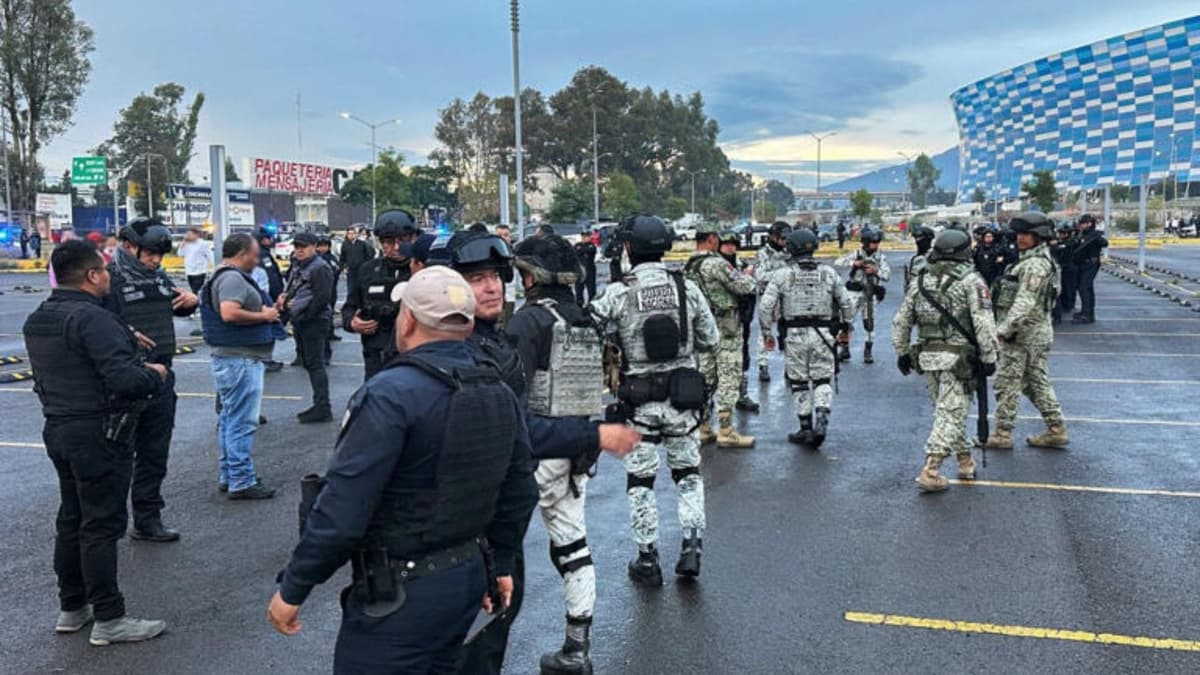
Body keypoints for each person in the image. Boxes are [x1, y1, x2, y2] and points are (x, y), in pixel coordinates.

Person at [267, 267, 539, 673]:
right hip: (464, 577)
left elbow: (344, 506)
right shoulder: (496, 388)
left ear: (407, 319)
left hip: (402, 590)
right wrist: (498, 563)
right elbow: (520, 489)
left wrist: (295, 586)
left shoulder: (390, 393)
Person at [447, 230, 639, 675]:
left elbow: (510, 397)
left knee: (497, 555)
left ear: (529, 277)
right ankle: (577, 646)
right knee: (573, 546)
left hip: (531, 451)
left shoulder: (526, 323)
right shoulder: (588, 319)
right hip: (578, 450)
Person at [24, 240, 170, 645]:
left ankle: (72, 607)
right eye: (104, 270)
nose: (109, 276)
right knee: (101, 525)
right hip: (99, 433)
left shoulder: (41, 316)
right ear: (91, 275)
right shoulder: (92, 318)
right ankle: (109, 617)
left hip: (59, 428)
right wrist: (155, 373)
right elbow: (124, 379)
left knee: (71, 519)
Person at [589, 214, 719, 587]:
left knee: (641, 481)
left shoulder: (618, 291)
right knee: (688, 474)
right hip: (683, 399)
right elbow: (709, 338)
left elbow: (589, 330)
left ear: (629, 247)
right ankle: (692, 548)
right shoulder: (686, 288)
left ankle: (648, 558)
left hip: (639, 404)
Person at [104, 218, 198, 542]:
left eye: (159, 255)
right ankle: (108, 524)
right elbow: (91, 322)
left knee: (154, 453)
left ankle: (147, 518)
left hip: (161, 375)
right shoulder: (109, 279)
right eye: (150, 254)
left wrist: (191, 302)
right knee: (116, 456)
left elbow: (173, 305)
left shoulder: (157, 277)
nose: (156, 261)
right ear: (129, 246)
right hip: (126, 379)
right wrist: (126, 334)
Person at [892, 229, 999, 492]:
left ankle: (965, 461)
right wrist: (989, 356)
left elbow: (902, 320)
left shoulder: (921, 280)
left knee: (949, 411)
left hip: (928, 357)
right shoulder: (972, 281)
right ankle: (931, 469)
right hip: (958, 360)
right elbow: (984, 323)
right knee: (951, 413)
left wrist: (902, 351)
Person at [200, 233, 281, 499]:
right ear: (242, 253)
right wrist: (265, 315)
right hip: (240, 359)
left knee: (229, 419)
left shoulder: (220, 275)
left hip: (233, 358)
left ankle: (230, 474)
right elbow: (229, 313)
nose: (257, 261)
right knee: (241, 422)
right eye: (255, 255)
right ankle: (241, 480)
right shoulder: (232, 278)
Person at [984, 212, 1069, 450]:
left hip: (1022, 336)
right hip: (1034, 333)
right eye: (1019, 234)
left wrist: (1001, 330)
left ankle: (1002, 433)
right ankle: (1056, 428)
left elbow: (1024, 302)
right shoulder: (1035, 261)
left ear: (1039, 236)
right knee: (1035, 383)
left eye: (1026, 234)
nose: (1020, 238)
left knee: (1006, 383)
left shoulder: (1034, 265)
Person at [759, 229, 851, 447]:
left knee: (799, 382)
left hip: (794, 334)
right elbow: (846, 303)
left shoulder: (782, 275)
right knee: (822, 379)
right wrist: (846, 328)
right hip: (824, 334)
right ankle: (822, 420)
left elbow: (765, 307)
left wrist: (766, 333)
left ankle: (805, 428)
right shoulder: (829, 273)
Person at [684, 223, 758, 448]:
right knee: (729, 374)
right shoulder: (717, 264)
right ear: (711, 239)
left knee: (706, 376)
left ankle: (704, 426)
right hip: (726, 325)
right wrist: (748, 275)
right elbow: (745, 287)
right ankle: (726, 430)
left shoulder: (690, 265)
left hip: (702, 325)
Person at [341, 210, 419, 381]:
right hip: (376, 358)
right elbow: (349, 307)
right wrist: (352, 323)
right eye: (390, 242)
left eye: (402, 240)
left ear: (413, 239)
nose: (396, 247)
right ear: (381, 243)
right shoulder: (368, 270)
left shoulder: (424, 270)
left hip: (413, 358)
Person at [280, 232, 335, 423]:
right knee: (309, 363)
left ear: (314, 246)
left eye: (303, 246)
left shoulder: (320, 268)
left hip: (314, 321)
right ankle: (319, 404)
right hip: (301, 319)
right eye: (296, 247)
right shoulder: (299, 265)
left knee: (315, 364)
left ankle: (322, 406)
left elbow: (322, 298)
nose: (299, 250)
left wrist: (306, 316)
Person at [834, 228, 891, 364]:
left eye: (877, 242)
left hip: (870, 293)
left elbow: (887, 275)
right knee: (846, 321)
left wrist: (876, 271)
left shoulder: (880, 257)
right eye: (873, 242)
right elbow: (838, 262)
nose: (876, 245)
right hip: (854, 292)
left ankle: (868, 352)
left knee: (869, 323)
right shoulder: (856, 254)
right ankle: (845, 349)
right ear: (865, 242)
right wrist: (854, 263)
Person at [721, 230, 759, 413]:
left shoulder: (741, 265)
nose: (731, 247)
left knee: (741, 358)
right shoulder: (715, 266)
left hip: (739, 319)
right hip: (717, 319)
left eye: (734, 244)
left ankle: (742, 394)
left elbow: (751, 293)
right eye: (727, 244)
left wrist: (747, 317)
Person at [753, 222, 792, 383]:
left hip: (786, 297)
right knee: (765, 331)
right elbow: (760, 275)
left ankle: (789, 368)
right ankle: (763, 365)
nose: (784, 242)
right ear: (773, 237)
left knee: (788, 332)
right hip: (768, 296)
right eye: (782, 238)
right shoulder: (763, 253)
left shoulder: (788, 252)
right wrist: (782, 275)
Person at [256, 227, 287, 372]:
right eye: (267, 239)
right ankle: (264, 359)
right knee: (267, 331)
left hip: (271, 299)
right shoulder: (261, 256)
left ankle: (265, 358)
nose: (270, 241)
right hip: (267, 300)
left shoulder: (265, 254)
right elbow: (270, 279)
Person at [1071, 214, 1108, 324]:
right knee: (1086, 288)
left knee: (1084, 287)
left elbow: (1105, 243)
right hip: (1083, 264)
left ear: (1089, 224)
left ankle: (1087, 315)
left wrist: (1096, 238)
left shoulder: (1094, 235)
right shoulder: (1083, 234)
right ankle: (1086, 312)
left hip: (1091, 264)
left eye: (1083, 223)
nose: (1081, 225)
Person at [338, 225, 376, 293]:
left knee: (361, 287)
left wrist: (367, 266)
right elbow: (342, 257)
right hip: (350, 269)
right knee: (351, 288)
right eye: (349, 233)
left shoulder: (362, 244)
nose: (351, 235)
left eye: (353, 233)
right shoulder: (345, 244)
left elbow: (369, 255)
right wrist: (342, 268)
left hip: (361, 269)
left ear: (356, 234)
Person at [179, 227, 214, 295]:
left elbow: (210, 256)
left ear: (196, 235)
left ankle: (198, 304)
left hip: (200, 271)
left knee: (196, 291)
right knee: (194, 291)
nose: (187, 236)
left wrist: (216, 267)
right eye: (187, 234)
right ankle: (199, 303)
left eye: (190, 234)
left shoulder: (203, 244)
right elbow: (180, 254)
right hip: (189, 271)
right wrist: (182, 245)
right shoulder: (187, 244)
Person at [904, 224, 935, 292]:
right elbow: (908, 282)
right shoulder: (912, 260)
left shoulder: (935, 258)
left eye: (920, 237)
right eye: (916, 237)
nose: (917, 240)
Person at [573, 232, 598, 305]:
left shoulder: (592, 246)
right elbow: (574, 252)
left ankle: (592, 303)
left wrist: (581, 250)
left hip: (589, 269)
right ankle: (579, 303)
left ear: (590, 237)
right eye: (583, 236)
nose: (584, 238)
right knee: (579, 288)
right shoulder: (577, 245)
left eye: (586, 236)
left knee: (591, 288)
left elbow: (589, 250)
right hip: (580, 270)